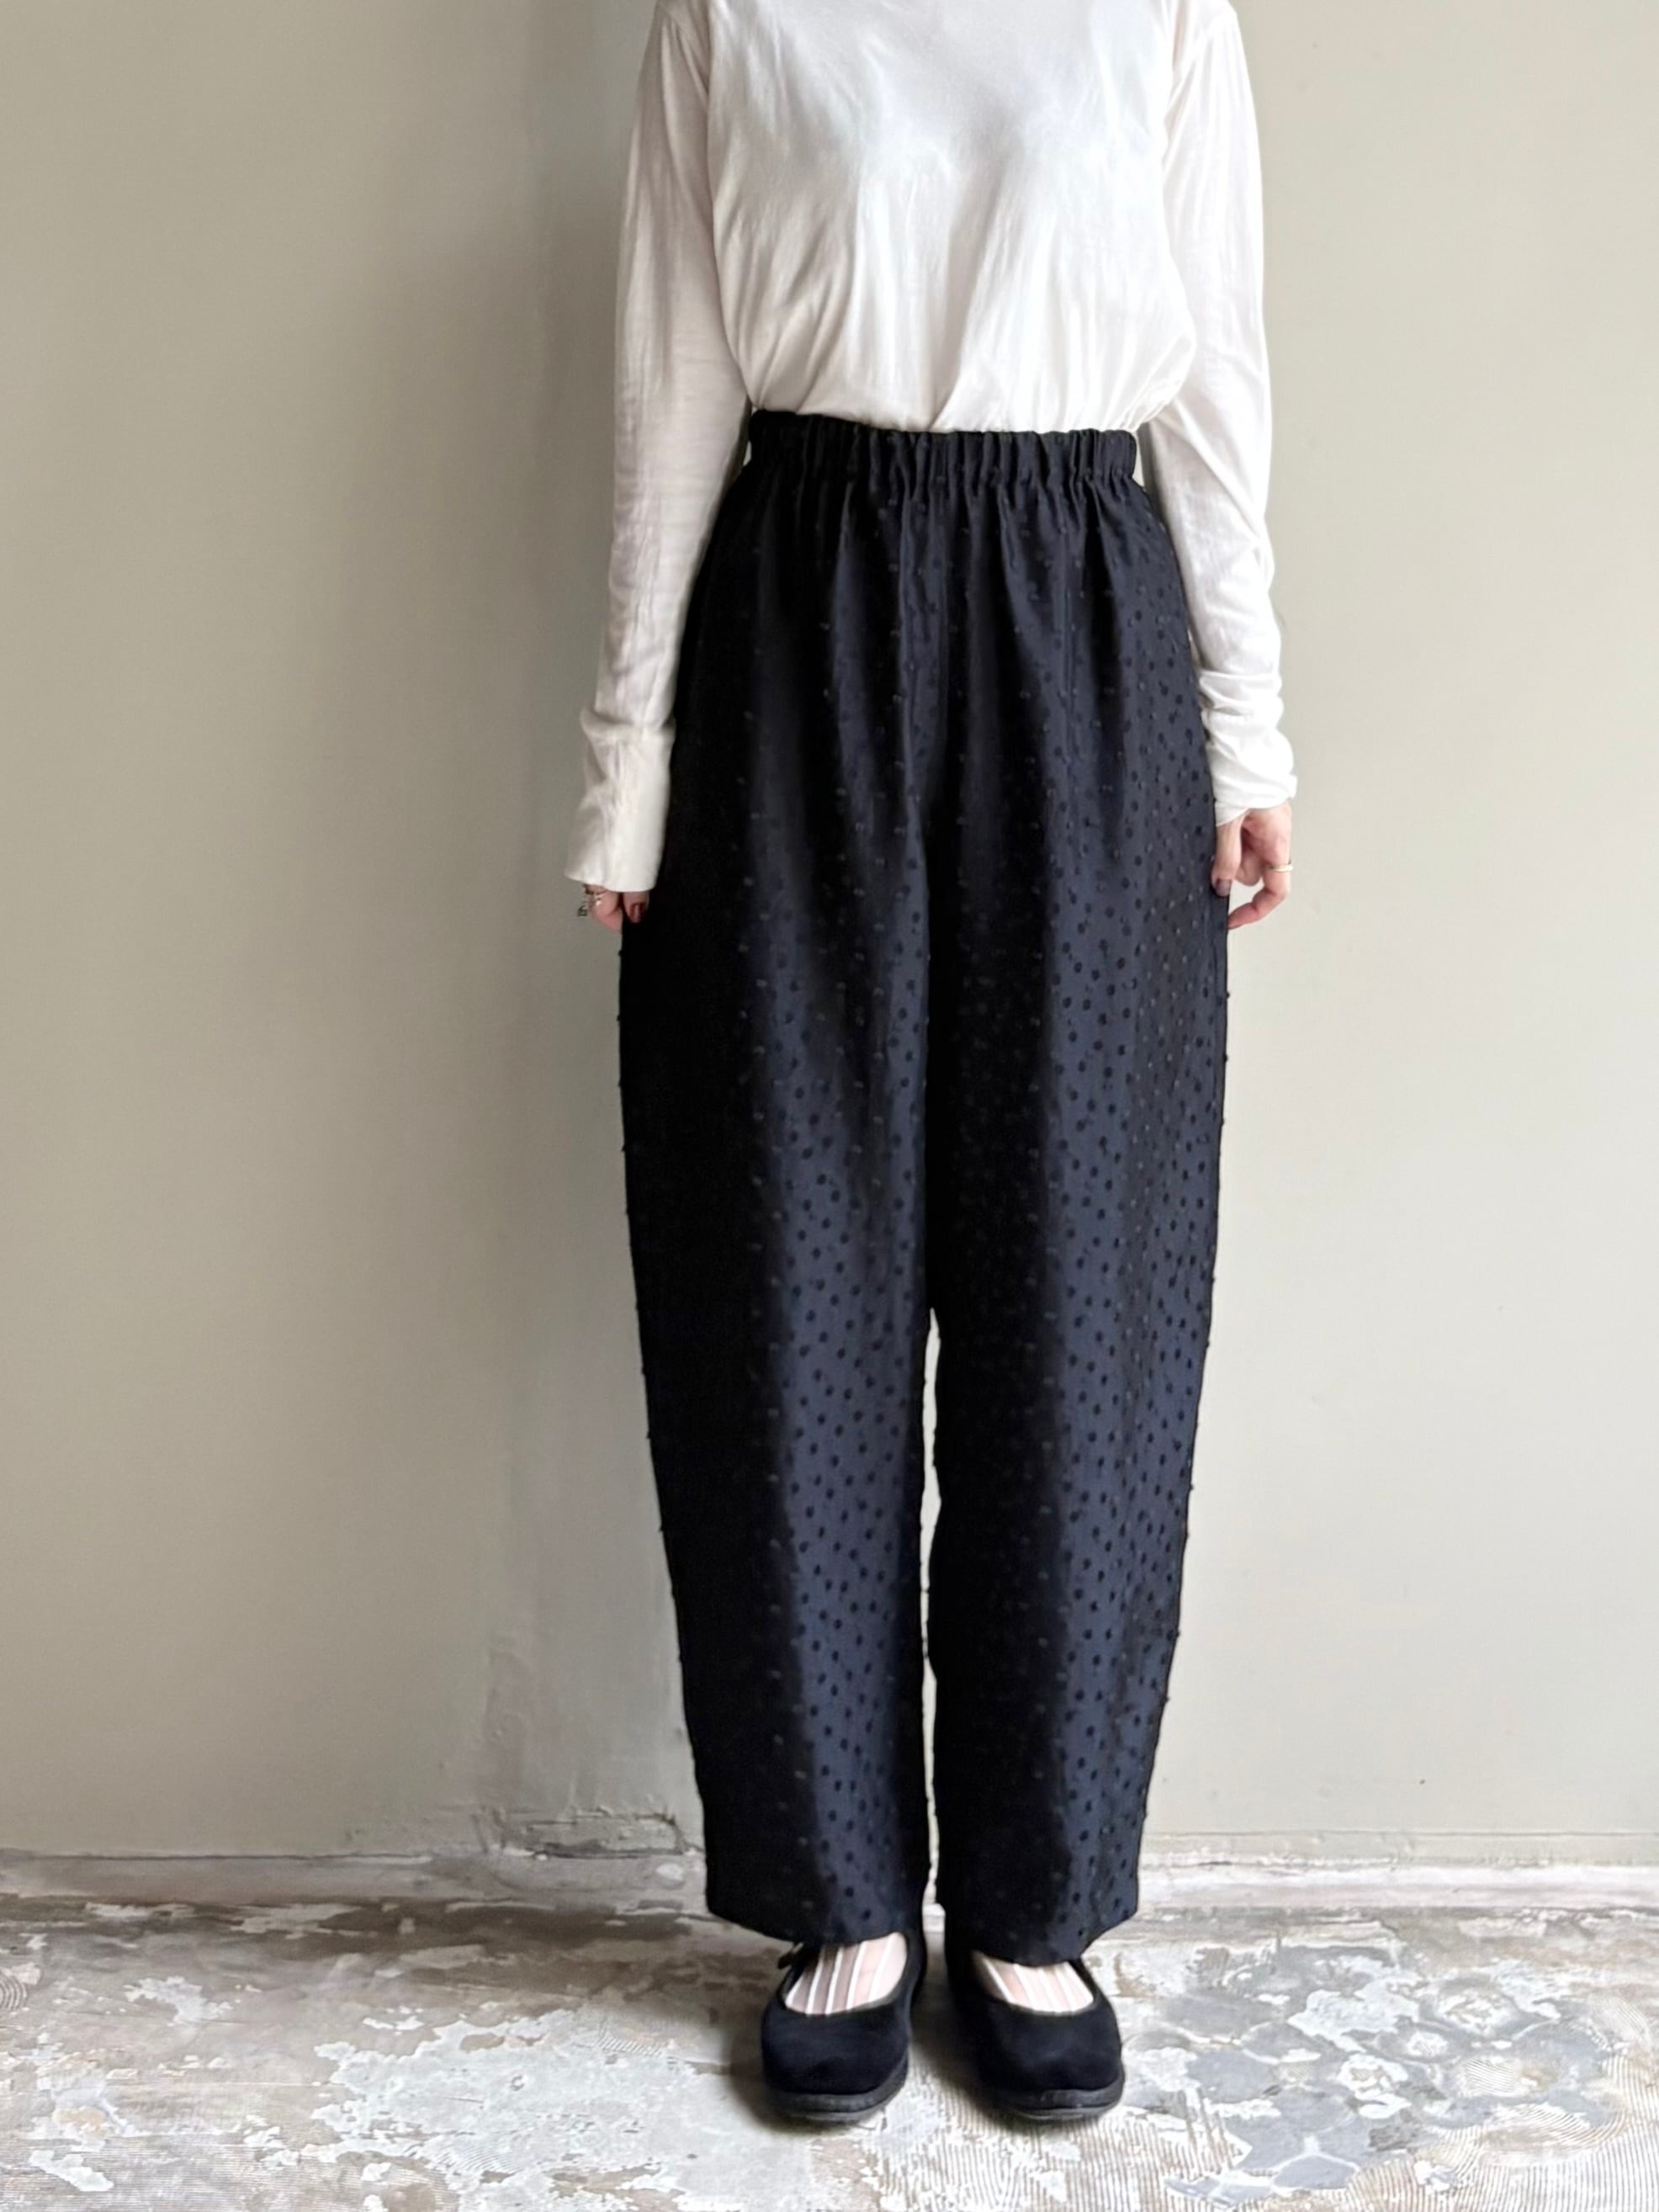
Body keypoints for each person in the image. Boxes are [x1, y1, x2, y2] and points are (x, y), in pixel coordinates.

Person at [567, 0, 1296, 2127]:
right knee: (783, 1271)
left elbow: (1213, 371)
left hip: (1085, 611)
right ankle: (841, 1899)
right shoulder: (730, 13)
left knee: (1083, 1286)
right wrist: (629, 761)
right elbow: (672, 382)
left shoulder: (1161, 12)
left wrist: (1246, 724)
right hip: (796, 608)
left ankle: (1031, 1905)